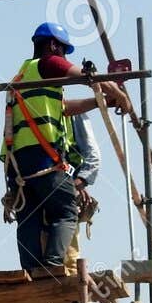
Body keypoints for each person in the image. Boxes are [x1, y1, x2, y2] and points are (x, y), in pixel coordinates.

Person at [1, 21, 130, 271]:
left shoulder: (24, 74)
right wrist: (118, 92)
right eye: (62, 50)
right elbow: (86, 77)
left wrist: (99, 101)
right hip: (44, 161)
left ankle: (31, 270)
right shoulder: (48, 63)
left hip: (18, 165)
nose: (63, 57)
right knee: (65, 209)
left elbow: (65, 108)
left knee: (29, 216)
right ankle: (51, 266)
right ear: (52, 45)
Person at [62, 110, 101, 270]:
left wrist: (79, 182)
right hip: (38, 191)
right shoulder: (30, 110)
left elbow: (93, 156)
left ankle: (71, 291)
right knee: (41, 262)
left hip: (65, 194)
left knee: (69, 259)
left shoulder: (73, 113)